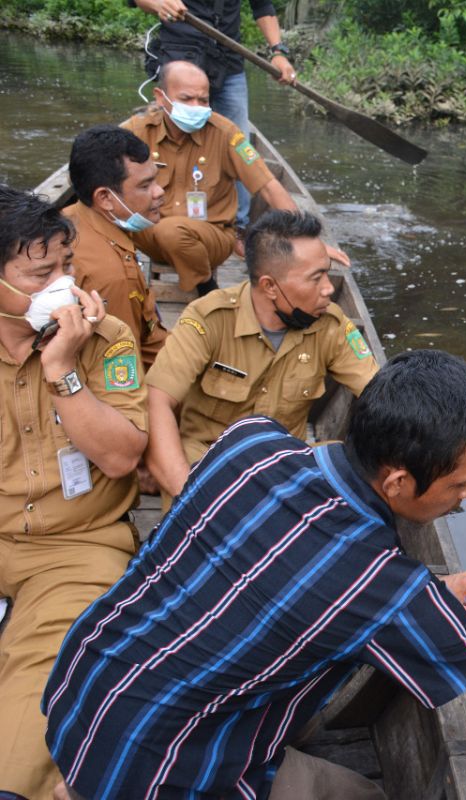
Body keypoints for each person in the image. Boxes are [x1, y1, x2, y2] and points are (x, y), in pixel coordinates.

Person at [44, 349, 466, 799]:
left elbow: (285, 561)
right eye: (461, 482)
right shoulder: (380, 588)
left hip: (79, 691)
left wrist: (425, 593)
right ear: (399, 480)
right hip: (149, 773)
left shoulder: (252, 441)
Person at [0, 186, 148, 798]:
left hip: (75, 545)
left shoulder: (106, 336)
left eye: (66, 266)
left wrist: (62, 369)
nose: (64, 285)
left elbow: (121, 455)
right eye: (42, 273)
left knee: (44, 676)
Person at [143, 208, 376, 501]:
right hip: (209, 464)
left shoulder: (331, 325)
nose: (329, 289)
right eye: (316, 278)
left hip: (284, 468)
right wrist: (188, 494)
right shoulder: (208, 319)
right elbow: (158, 400)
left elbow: (377, 392)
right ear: (269, 286)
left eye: (328, 274)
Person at [120, 59, 347, 296]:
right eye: (186, 99)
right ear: (160, 96)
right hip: (149, 234)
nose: (196, 107)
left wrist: (306, 239)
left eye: (203, 100)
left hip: (212, 236)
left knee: (171, 231)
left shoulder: (225, 132)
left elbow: (268, 186)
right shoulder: (138, 130)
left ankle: (207, 289)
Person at [133, 0, 299, 234]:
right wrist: (159, 4)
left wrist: (278, 52)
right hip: (180, 60)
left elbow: (263, 7)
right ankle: (161, 216)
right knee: (167, 141)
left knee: (238, 144)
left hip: (228, 62)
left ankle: (237, 228)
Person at [64, 124, 170, 368]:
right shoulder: (114, 277)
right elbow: (124, 365)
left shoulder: (71, 216)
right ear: (105, 198)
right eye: (145, 186)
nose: (159, 192)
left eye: (156, 179)